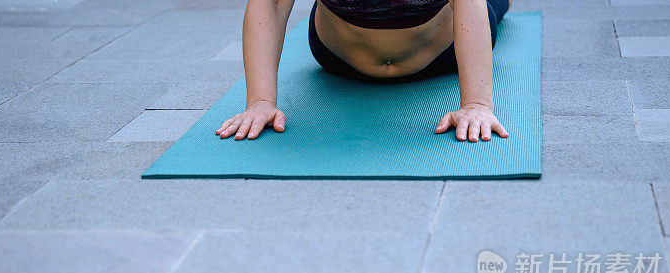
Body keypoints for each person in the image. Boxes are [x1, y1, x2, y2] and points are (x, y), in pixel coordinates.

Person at [216, 0, 511, 142]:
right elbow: (273, 4)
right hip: (339, 56)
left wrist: (477, 105)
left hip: (441, 54)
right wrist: (260, 102)